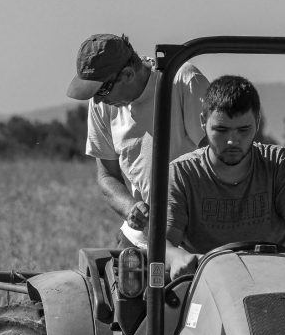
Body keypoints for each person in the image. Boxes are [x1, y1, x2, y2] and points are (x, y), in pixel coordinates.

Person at [166, 75, 285, 279]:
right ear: (203, 121)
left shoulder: (279, 164)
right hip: (206, 286)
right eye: (221, 130)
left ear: (257, 123)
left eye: (243, 130)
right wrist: (177, 256)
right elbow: (164, 243)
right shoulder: (182, 173)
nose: (232, 141)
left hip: (276, 279)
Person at [67, 33, 209, 248]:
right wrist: (131, 208)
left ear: (128, 73)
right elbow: (107, 176)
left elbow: (215, 158)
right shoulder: (101, 104)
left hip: (194, 236)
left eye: (102, 90)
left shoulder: (182, 80)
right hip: (140, 240)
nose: (97, 99)